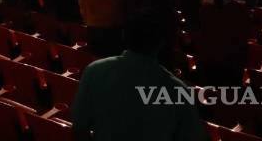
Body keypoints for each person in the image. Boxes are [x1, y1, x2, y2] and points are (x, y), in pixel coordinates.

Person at [71, 10, 207, 141]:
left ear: (124, 35)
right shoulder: (177, 91)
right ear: (161, 42)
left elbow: (79, 127)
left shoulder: (94, 71)